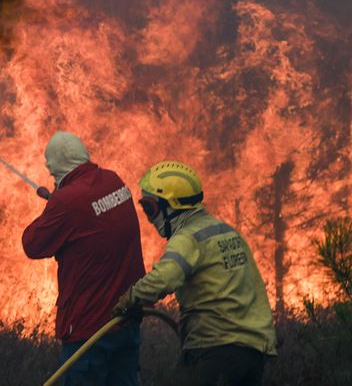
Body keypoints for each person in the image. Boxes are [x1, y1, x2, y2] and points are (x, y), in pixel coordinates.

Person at [113, 161, 277, 386]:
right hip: (252, 352)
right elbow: (256, 287)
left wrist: (130, 299)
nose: (150, 218)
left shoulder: (187, 238)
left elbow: (164, 278)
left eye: (149, 208)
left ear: (170, 205)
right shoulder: (227, 233)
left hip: (214, 349)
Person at [23, 131, 145, 386]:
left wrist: (54, 204)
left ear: (55, 166)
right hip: (125, 321)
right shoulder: (113, 181)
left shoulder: (66, 202)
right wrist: (60, 201)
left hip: (88, 329)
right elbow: (91, 223)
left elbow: (33, 245)